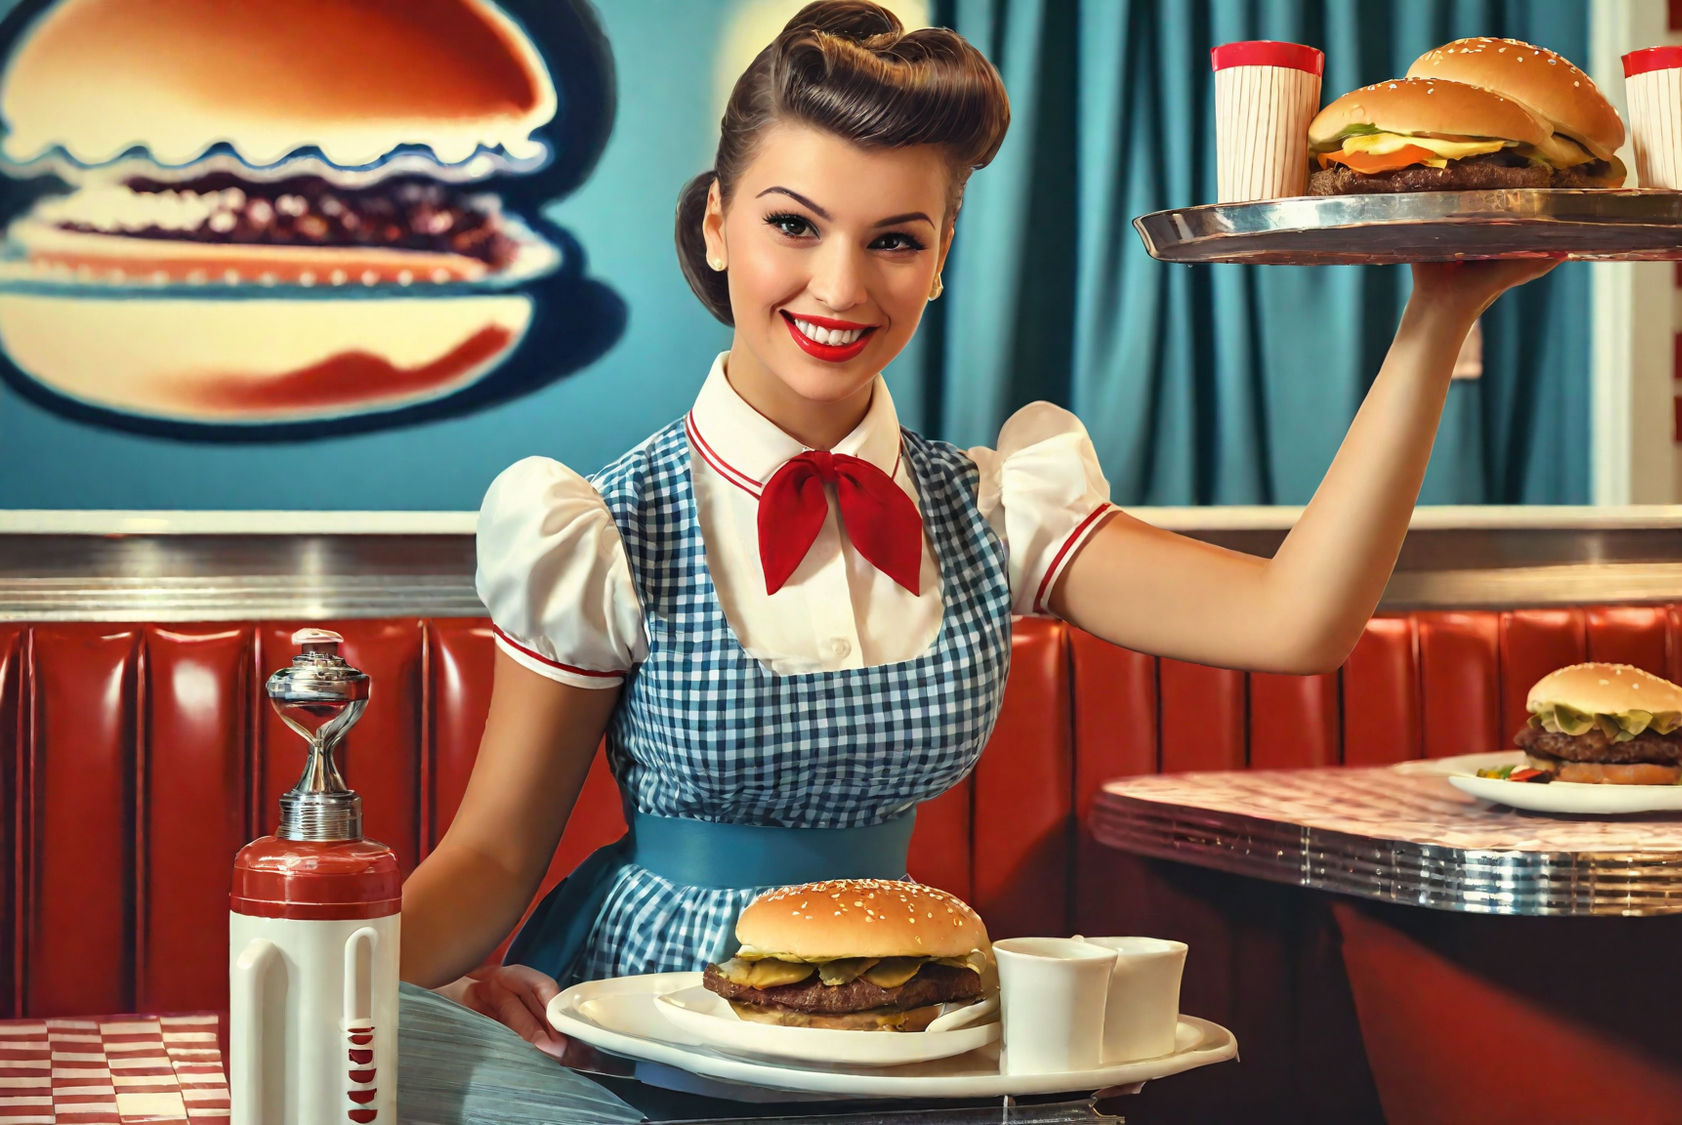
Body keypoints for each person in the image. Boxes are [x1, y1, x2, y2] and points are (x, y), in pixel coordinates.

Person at [396, 0, 1556, 1112]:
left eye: (893, 240)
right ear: (716, 226)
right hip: (646, 1037)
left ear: (942, 255)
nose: (840, 287)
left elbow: (1296, 625)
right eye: (791, 225)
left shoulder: (1001, 508)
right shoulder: (597, 526)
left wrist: (1435, 317)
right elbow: (496, 855)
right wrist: (336, 978)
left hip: (911, 1030)